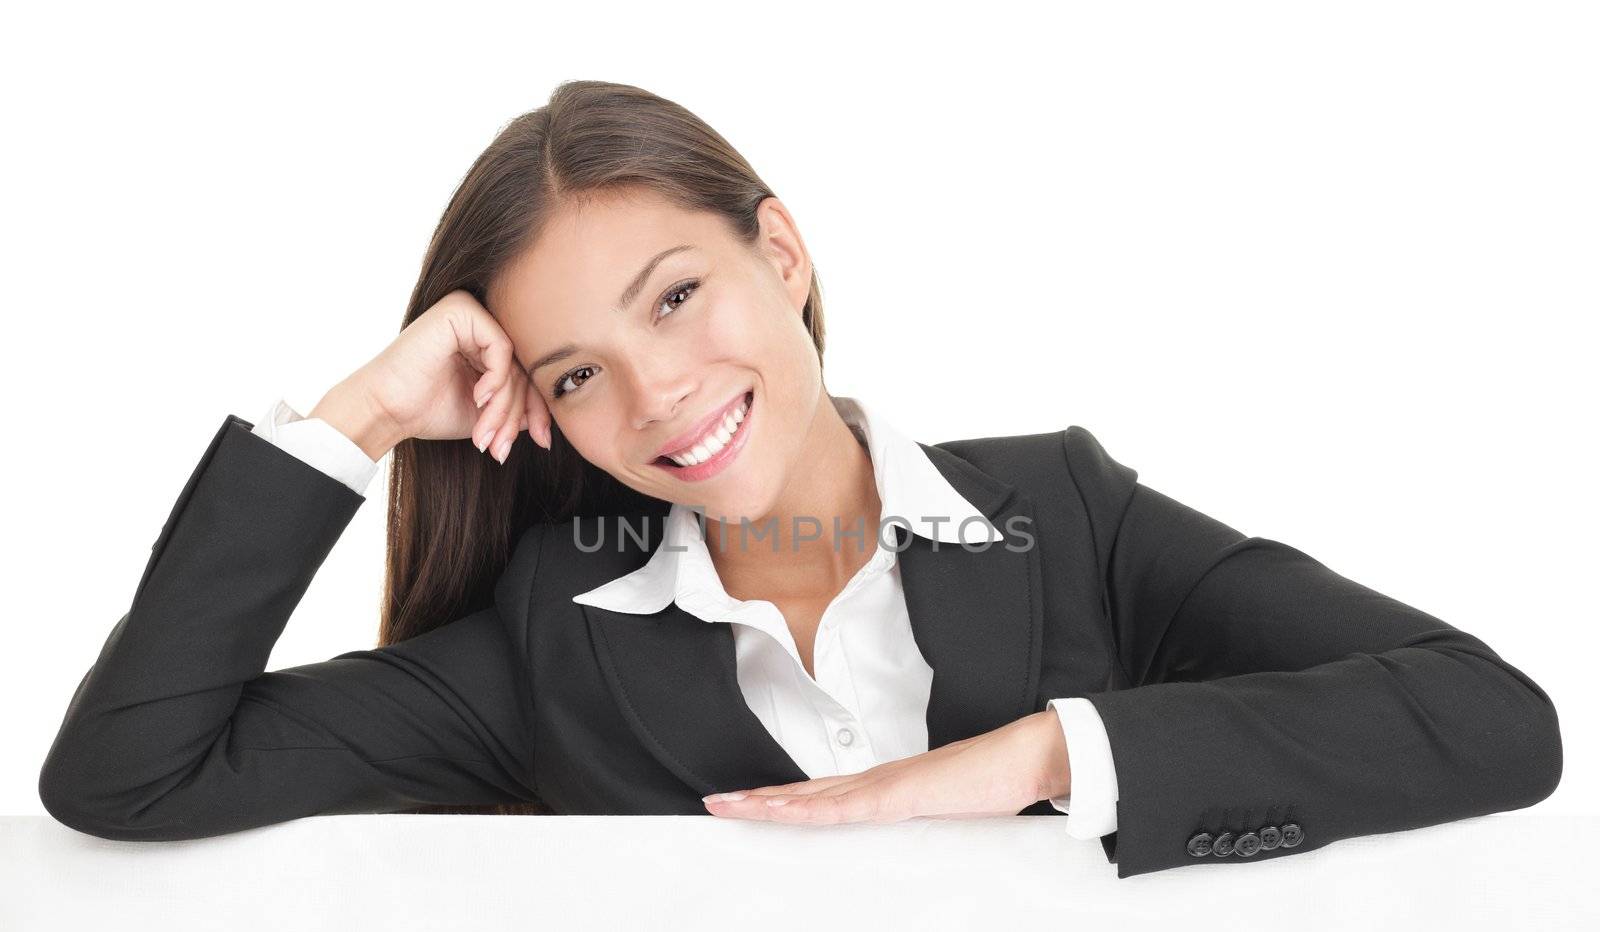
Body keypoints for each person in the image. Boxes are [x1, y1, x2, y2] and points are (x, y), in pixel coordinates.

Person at [36, 80, 1563, 879]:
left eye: (677, 296)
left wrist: (1040, 753)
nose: (656, 394)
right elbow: (129, 773)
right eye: (574, 373)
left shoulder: (1064, 517)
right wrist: (358, 412)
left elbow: (1492, 714)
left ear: (781, 252)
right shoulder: (548, 645)